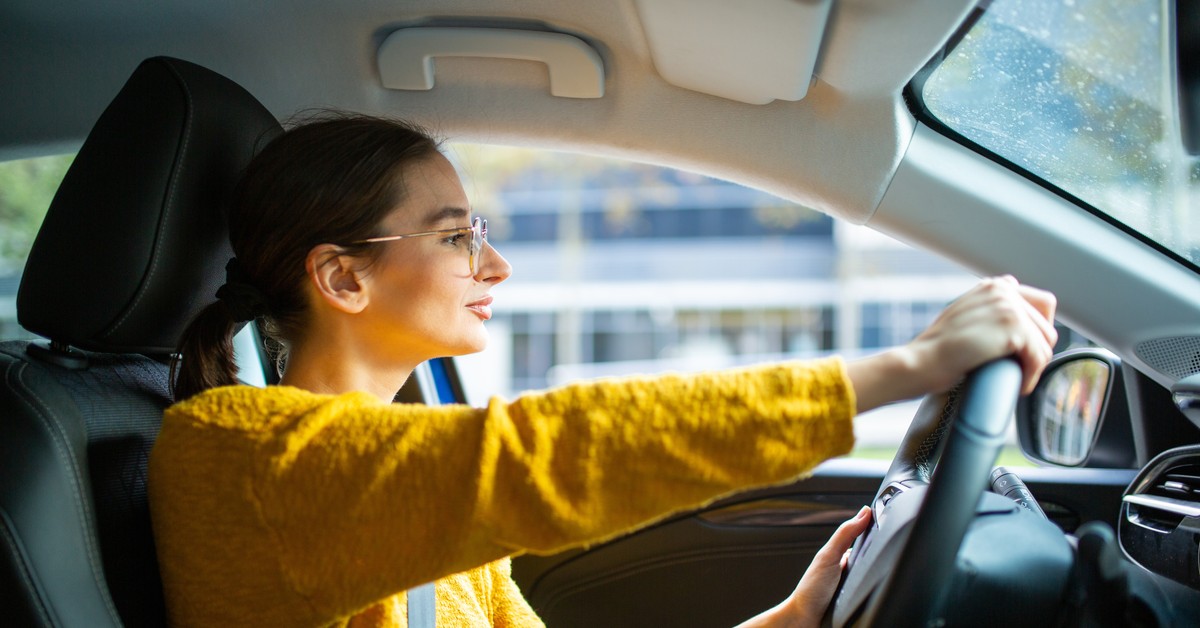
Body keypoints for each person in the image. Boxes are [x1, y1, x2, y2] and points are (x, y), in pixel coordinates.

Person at [149, 113, 1057, 627]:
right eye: (458, 236)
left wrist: (785, 623)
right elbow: (552, 452)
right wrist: (909, 367)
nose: (494, 267)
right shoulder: (233, 456)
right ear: (342, 276)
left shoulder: (404, 484)